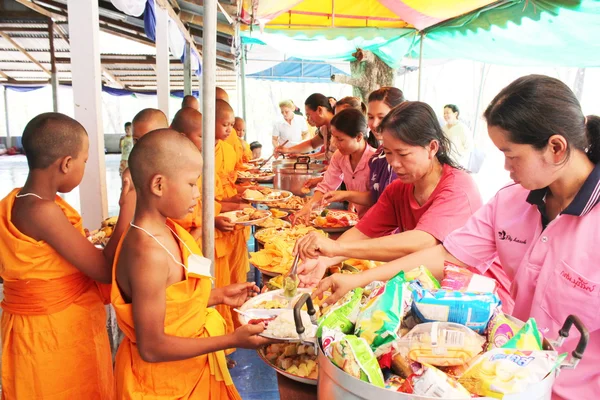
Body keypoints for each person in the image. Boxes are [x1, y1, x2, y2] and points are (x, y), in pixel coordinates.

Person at [314, 75, 600, 399]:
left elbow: (425, 241)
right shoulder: (511, 202)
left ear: (556, 147)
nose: (505, 167)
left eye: (511, 154)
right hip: (509, 378)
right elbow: (445, 256)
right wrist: (357, 279)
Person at [112, 129, 271, 399]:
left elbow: (172, 306)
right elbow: (151, 347)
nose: (199, 195)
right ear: (158, 185)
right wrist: (232, 340)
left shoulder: (169, 230)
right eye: (192, 184)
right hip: (161, 385)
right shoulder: (146, 252)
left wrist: (218, 296)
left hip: (189, 372)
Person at [293, 102, 504, 299]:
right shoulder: (399, 190)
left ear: (432, 147)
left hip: (478, 299)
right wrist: (324, 261)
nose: (394, 163)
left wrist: (336, 250)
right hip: (433, 293)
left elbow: (421, 242)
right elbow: (363, 232)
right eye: (388, 153)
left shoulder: (458, 188)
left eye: (403, 154)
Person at [0, 112, 135, 399]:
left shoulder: (20, 201)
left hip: (45, 325)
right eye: (85, 161)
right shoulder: (42, 210)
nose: (84, 167)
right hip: (50, 334)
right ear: (66, 163)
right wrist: (127, 208)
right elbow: (102, 269)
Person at [294, 108, 377, 221]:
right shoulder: (339, 156)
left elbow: (376, 197)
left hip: (379, 223)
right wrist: (310, 205)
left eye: (340, 139)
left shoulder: (376, 160)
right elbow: (326, 185)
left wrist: (345, 195)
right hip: (361, 220)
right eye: (333, 137)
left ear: (359, 137)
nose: (335, 144)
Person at [275, 94, 335, 160]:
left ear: (320, 110)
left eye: (308, 115)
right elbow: (312, 144)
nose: (308, 119)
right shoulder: (324, 128)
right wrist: (288, 150)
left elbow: (338, 156)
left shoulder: (340, 126)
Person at [443, 104, 473, 168]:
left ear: (455, 114)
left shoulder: (462, 128)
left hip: (458, 164)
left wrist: (459, 157)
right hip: (446, 162)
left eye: (447, 113)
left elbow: (469, 147)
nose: (445, 115)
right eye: (444, 113)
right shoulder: (444, 128)